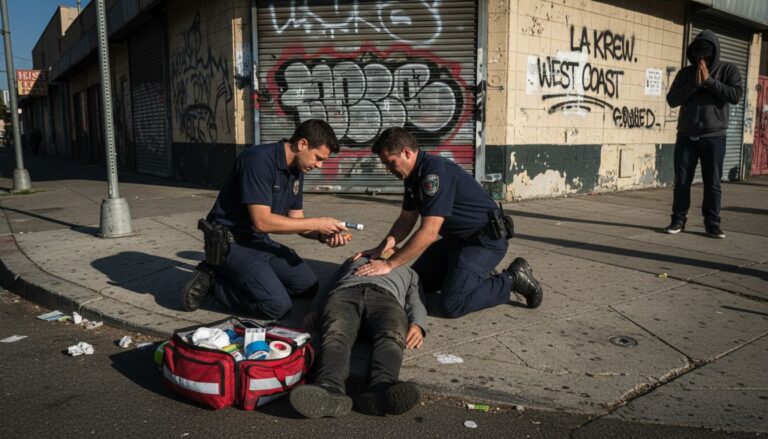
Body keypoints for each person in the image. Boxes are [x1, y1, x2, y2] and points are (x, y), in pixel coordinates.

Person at [353, 127, 542, 318]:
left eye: (391, 163)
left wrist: (390, 264)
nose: (388, 170)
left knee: (452, 304)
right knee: (415, 285)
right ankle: (474, 277)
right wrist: (380, 249)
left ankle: (512, 278)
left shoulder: (433, 175)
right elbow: (406, 220)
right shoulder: (412, 176)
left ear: (407, 153)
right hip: (456, 241)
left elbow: (428, 233)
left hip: (484, 242)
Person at [181, 119, 351, 319]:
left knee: (307, 287)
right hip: (229, 242)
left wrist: (323, 234)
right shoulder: (258, 160)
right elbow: (262, 222)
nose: (320, 165)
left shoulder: (297, 170)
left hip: (259, 242)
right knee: (276, 306)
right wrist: (318, 222)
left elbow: (297, 220)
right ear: (302, 144)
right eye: (318, 157)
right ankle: (213, 284)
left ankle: (253, 281)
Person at [289, 248, 426, 418]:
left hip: (386, 299)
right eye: (384, 246)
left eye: (393, 249)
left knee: (391, 335)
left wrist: (418, 324)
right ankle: (329, 388)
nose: (387, 250)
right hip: (345, 294)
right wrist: (314, 309)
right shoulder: (356, 260)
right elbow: (329, 284)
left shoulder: (408, 271)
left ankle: (382, 387)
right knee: (335, 335)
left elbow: (416, 300)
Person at [665, 29, 743, 238]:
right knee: (682, 181)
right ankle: (678, 220)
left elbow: (735, 95)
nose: (702, 59)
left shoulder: (728, 70)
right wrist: (694, 85)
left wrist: (709, 82)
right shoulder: (685, 74)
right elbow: (672, 99)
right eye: (698, 54)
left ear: (715, 52)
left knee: (713, 182)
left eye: (706, 54)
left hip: (714, 137)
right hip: (686, 136)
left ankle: (712, 223)